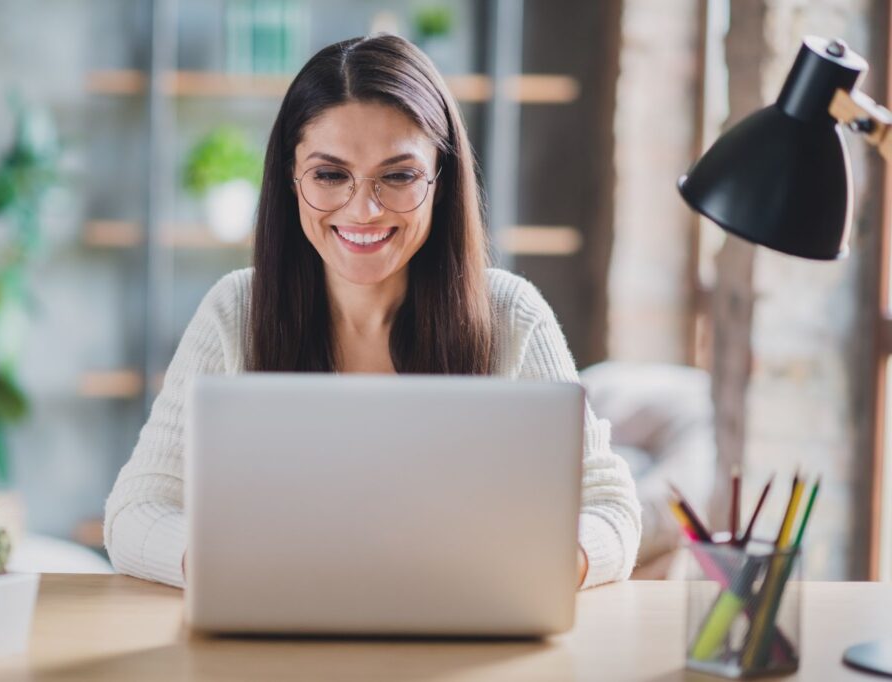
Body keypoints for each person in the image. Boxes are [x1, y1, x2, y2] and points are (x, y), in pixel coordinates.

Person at [104, 33, 640, 591]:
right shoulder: (236, 310)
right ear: (291, 180)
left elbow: (610, 508)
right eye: (330, 175)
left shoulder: (510, 314)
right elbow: (134, 512)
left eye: (400, 175)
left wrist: (534, 569)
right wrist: (230, 570)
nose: (364, 209)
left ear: (441, 179)